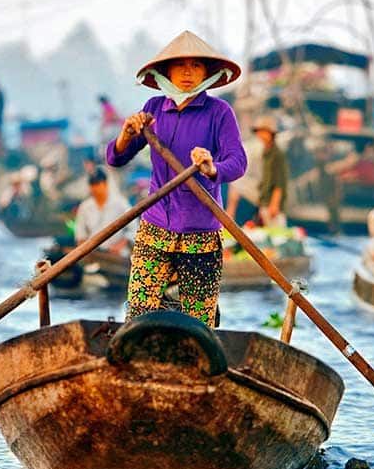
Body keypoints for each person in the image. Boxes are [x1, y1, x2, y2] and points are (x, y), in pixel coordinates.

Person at [106, 30, 246, 326]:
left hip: (202, 232)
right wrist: (126, 134)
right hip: (156, 226)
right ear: (166, 71)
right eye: (180, 65)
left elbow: (238, 162)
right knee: (139, 316)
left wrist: (211, 168)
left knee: (199, 323)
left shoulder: (219, 112)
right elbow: (115, 158)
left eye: (196, 66)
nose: (187, 72)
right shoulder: (154, 110)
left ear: (206, 72)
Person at [74, 168, 132, 254]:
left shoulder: (120, 204)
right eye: (92, 185)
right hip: (94, 253)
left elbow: (133, 229)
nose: (95, 188)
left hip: (117, 254)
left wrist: (120, 245)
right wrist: (83, 250)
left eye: (97, 184)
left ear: (105, 183)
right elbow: (80, 233)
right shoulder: (85, 206)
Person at [253, 115, 288, 227]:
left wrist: (274, 204)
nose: (260, 135)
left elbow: (279, 182)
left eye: (263, 131)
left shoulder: (277, 154)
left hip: (272, 204)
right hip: (265, 201)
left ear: (270, 133)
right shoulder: (265, 152)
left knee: (276, 236)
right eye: (259, 132)